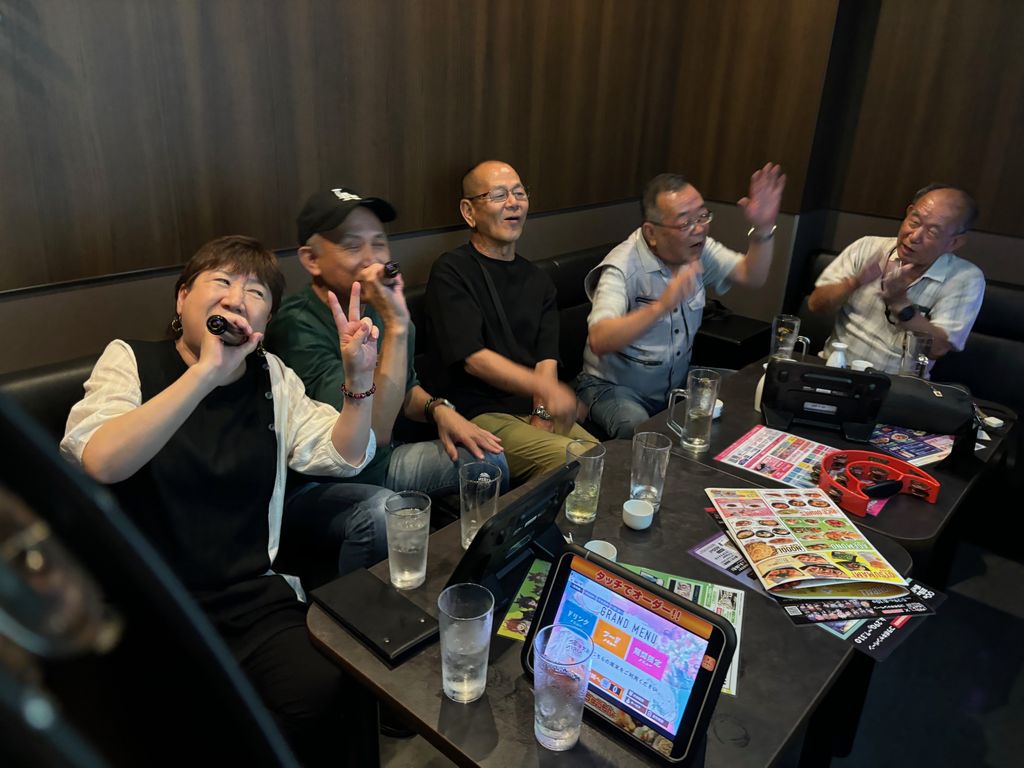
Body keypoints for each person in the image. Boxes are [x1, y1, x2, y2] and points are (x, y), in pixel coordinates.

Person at [60, 235, 387, 765]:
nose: (237, 298)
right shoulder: (131, 360)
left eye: (256, 291)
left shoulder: (272, 376)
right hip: (152, 604)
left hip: (252, 600)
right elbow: (101, 460)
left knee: (337, 686)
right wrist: (205, 373)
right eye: (222, 281)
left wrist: (359, 379)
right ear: (182, 298)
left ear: (265, 320)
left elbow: (343, 454)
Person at [265, 187, 509, 498]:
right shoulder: (296, 327)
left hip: (385, 461)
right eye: (352, 246)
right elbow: (371, 435)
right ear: (312, 259)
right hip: (332, 482)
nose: (372, 259)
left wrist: (438, 409)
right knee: (384, 509)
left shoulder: (383, 307)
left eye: (379, 243)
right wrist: (396, 326)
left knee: (489, 461)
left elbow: (404, 387)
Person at [576, 165, 786, 438]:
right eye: (685, 223)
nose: (699, 229)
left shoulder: (698, 249)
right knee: (639, 427)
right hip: (613, 387)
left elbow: (752, 275)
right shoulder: (622, 267)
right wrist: (662, 305)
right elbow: (600, 339)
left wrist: (763, 228)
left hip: (675, 384)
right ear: (651, 232)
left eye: (703, 216)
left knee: (743, 390)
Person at [424, 160, 596, 482]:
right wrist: (547, 390)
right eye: (499, 195)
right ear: (469, 211)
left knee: (601, 458)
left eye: (519, 193)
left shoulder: (538, 280)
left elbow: (546, 359)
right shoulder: (451, 271)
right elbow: (473, 359)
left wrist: (543, 411)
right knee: (579, 463)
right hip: (479, 414)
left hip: (532, 408)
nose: (513, 202)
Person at [807, 184, 984, 375]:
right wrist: (854, 283)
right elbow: (816, 305)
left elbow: (938, 349)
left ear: (954, 242)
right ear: (908, 214)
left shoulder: (965, 278)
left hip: (898, 384)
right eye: (914, 222)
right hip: (836, 370)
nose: (914, 236)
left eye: (932, 232)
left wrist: (900, 303)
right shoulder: (867, 247)